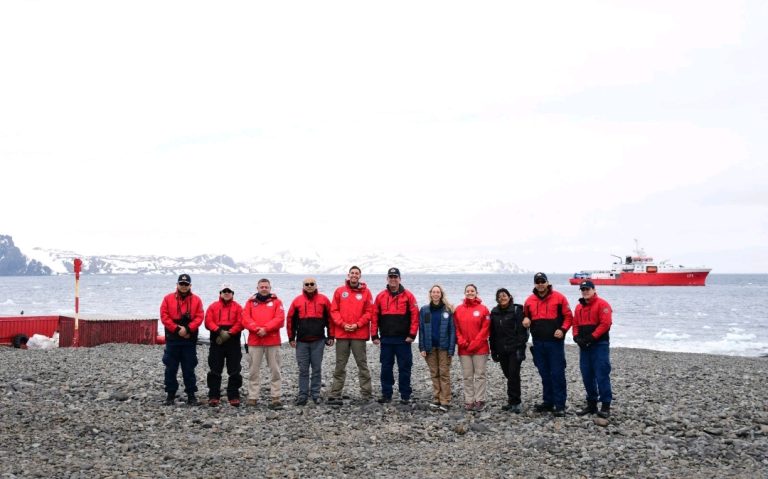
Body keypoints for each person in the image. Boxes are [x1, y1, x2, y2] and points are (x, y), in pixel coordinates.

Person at [523, 272, 573, 417]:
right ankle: (548, 402)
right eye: (537, 281)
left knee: (557, 373)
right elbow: (525, 315)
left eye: (542, 281)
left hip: (555, 343)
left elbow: (569, 317)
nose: (540, 284)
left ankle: (560, 405)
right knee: (544, 373)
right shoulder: (529, 300)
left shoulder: (559, 297)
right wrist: (525, 319)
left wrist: (563, 329)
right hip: (538, 342)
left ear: (547, 282)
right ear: (534, 284)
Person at [327, 266, 375, 405]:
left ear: (360, 276)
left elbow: (369, 312)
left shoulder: (366, 292)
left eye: (357, 273)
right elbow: (333, 310)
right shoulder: (340, 291)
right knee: (340, 365)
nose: (354, 275)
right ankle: (335, 393)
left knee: (362, 364)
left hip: (358, 334)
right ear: (348, 275)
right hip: (342, 333)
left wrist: (357, 324)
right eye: (352, 273)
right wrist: (342, 324)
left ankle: (366, 394)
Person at [372, 267, 419, 405]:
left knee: (405, 367)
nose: (393, 279)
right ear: (387, 279)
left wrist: (412, 334)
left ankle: (405, 394)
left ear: (400, 279)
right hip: (386, 339)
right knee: (386, 367)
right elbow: (374, 316)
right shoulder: (380, 296)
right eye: (390, 277)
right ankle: (387, 393)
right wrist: (374, 335)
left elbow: (415, 316)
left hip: (403, 340)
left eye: (395, 277)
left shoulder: (409, 296)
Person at [287, 277, 334, 406]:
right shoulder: (297, 301)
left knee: (317, 368)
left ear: (316, 285)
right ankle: (302, 395)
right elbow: (290, 319)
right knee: (303, 370)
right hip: (301, 342)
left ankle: (315, 394)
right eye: (306, 284)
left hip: (318, 341)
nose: (309, 286)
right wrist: (291, 338)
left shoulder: (324, 300)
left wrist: (331, 336)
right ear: (303, 286)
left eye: (311, 284)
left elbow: (330, 319)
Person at [159, 273, 204, 406]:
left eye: (186, 284)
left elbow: (200, 317)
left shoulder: (197, 300)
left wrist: (188, 329)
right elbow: (164, 316)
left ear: (190, 285)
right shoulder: (167, 298)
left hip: (189, 340)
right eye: (181, 284)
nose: (183, 286)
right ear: (177, 284)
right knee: (170, 367)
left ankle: (191, 395)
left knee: (189, 368)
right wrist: (177, 329)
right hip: (173, 339)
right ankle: (170, 395)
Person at [242, 278, 286, 410]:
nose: (264, 288)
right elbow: (245, 318)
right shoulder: (250, 303)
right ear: (257, 288)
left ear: (270, 288)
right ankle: (253, 396)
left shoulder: (277, 302)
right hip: (255, 341)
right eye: (261, 286)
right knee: (253, 371)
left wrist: (266, 329)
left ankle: (276, 396)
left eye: (266, 286)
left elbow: (280, 319)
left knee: (275, 370)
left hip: (272, 341)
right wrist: (256, 329)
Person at [572, 280, 613, 418]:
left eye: (587, 289)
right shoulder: (578, 307)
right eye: (583, 289)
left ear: (594, 290)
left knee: (602, 374)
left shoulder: (603, 304)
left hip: (599, 345)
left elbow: (605, 324)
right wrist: (576, 337)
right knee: (587, 375)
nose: (585, 291)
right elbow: (575, 323)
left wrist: (592, 337)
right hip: (585, 347)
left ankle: (606, 405)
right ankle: (592, 404)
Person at [203, 282, 244, 407]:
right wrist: (219, 331)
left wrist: (230, 332)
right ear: (220, 293)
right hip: (217, 341)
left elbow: (241, 322)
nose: (226, 293)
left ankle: (233, 395)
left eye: (229, 291)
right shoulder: (213, 306)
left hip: (233, 341)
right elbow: (208, 321)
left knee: (234, 369)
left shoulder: (238, 307)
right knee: (215, 369)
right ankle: (214, 395)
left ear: (232, 294)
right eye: (224, 291)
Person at [490, 288, 529, 413]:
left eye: (504, 295)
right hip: (501, 349)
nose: (502, 298)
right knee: (508, 374)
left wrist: (519, 345)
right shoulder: (494, 312)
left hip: (515, 349)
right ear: (497, 299)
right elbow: (492, 333)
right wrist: (493, 350)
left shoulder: (517, 310)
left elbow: (523, 332)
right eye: (500, 296)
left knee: (513, 374)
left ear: (509, 296)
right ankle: (511, 400)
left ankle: (515, 402)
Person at [418, 284, 456, 411]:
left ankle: (445, 400)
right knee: (434, 373)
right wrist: (422, 347)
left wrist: (451, 349)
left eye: (438, 292)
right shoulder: (424, 310)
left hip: (444, 347)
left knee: (444, 373)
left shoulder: (447, 310)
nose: (435, 294)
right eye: (433, 292)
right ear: (430, 294)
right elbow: (422, 330)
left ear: (441, 294)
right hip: (430, 347)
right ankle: (437, 398)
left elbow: (452, 331)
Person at [454, 283, 491, 411]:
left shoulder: (483, 309)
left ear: (476, 292)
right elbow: (456, 328)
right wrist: (462, 342)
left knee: (480, 375)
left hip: (480, 349)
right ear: (465, 293)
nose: (470, 293)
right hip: (464, 349)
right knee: (467, 376)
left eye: (472, 291)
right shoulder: (458, 309)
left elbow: (485, 329)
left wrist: (474, 344)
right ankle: (469, 400)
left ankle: (479, 400)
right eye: (468, 291)